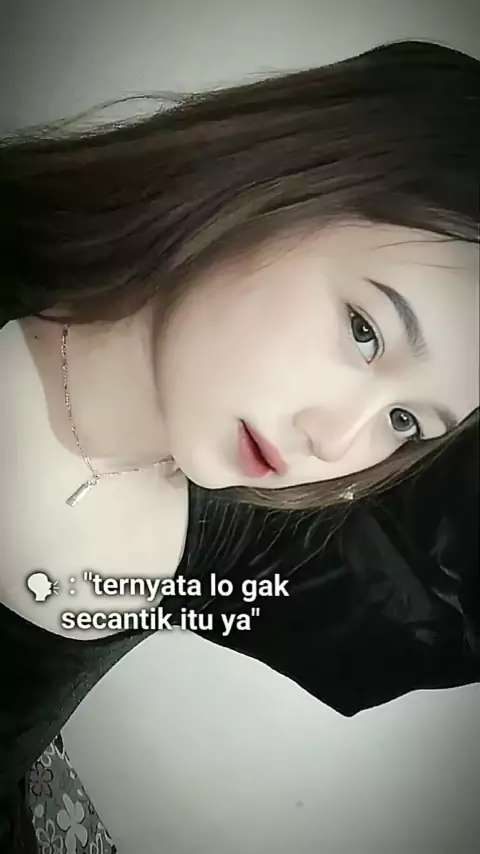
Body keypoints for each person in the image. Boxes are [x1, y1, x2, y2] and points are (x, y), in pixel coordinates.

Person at [0, 38, 478, 852]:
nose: (336, 438)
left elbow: (430, 613)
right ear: (283, 186)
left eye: (405, 423)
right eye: (365, 332)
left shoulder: (225, 535)